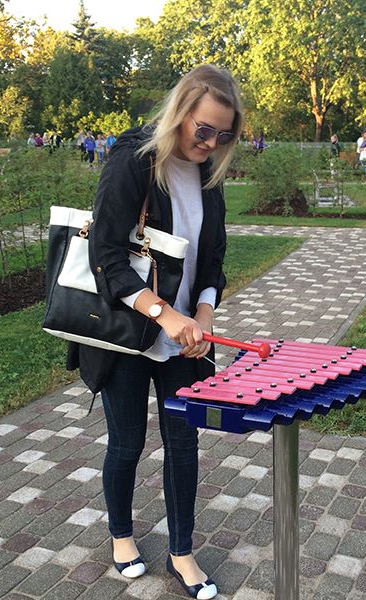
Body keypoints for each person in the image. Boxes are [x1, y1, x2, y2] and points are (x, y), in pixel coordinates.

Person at [67, 64, 243, 600]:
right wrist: (165, 314)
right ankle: (122, 536)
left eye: (224, 134)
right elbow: (107, 257)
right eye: (203, 129)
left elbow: (213, 258)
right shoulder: (135, 161)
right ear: (180, 113)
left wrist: (205, 314)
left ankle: (182, 551)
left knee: (183, 443)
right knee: (127, 443)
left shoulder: (208, 177)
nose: (210, 142)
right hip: (129, 330)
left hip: (187, 337)